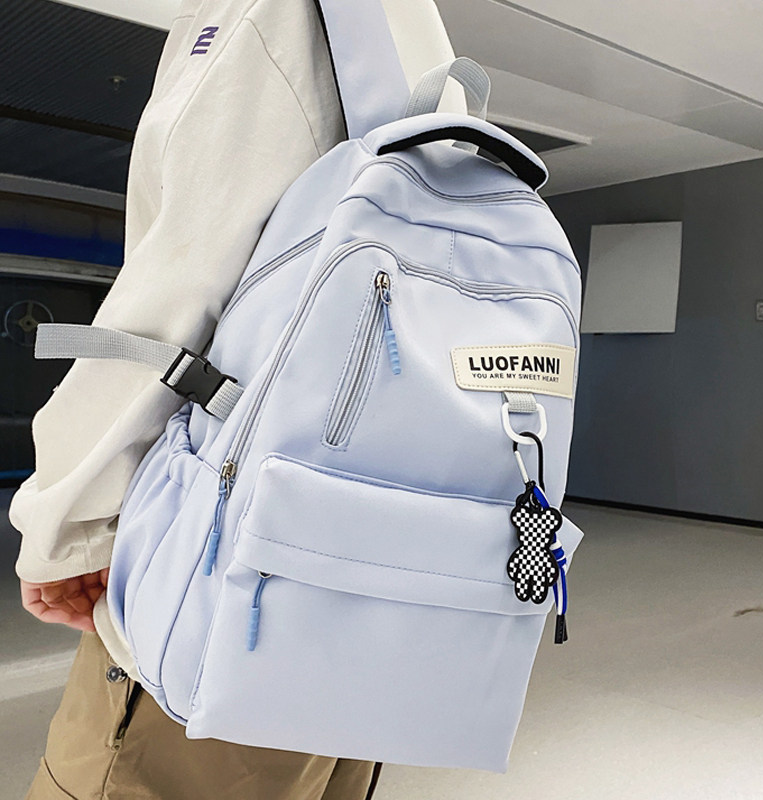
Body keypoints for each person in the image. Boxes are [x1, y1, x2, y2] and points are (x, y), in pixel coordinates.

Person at [10, 1, 466, 797]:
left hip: (225, 583)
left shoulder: (267, 14)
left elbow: (170, 303)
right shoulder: (408, 37)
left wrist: (65, 530)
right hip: (375, 598)